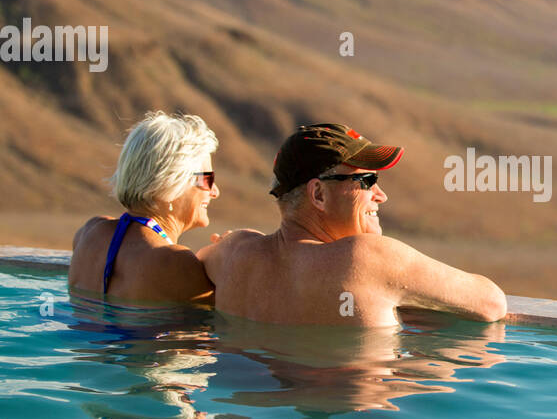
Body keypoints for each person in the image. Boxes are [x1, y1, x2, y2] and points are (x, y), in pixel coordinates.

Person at [199, 122, 506, 326]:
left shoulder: (231, 253)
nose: (381, 195)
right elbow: (491, 303)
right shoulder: (366, 257)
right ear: (318, 193)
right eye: (366, 180)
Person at [69, 111, 220, 304]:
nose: (215, 191)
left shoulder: (88, 235)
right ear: (170, 184)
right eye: (208, 179)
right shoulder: (174, 264)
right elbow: (228, 321)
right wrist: (230, 254)